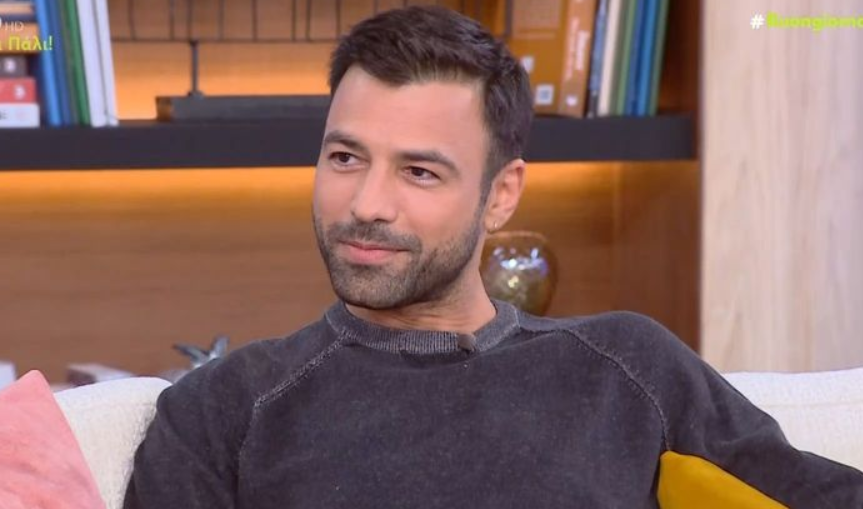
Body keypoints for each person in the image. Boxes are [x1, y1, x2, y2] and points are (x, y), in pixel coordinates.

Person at [123, 6, 863, 508]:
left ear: (501, 194)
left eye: (419, 172)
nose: (367, 203)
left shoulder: (628, 368)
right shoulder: (221, 410)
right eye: (345, 157)